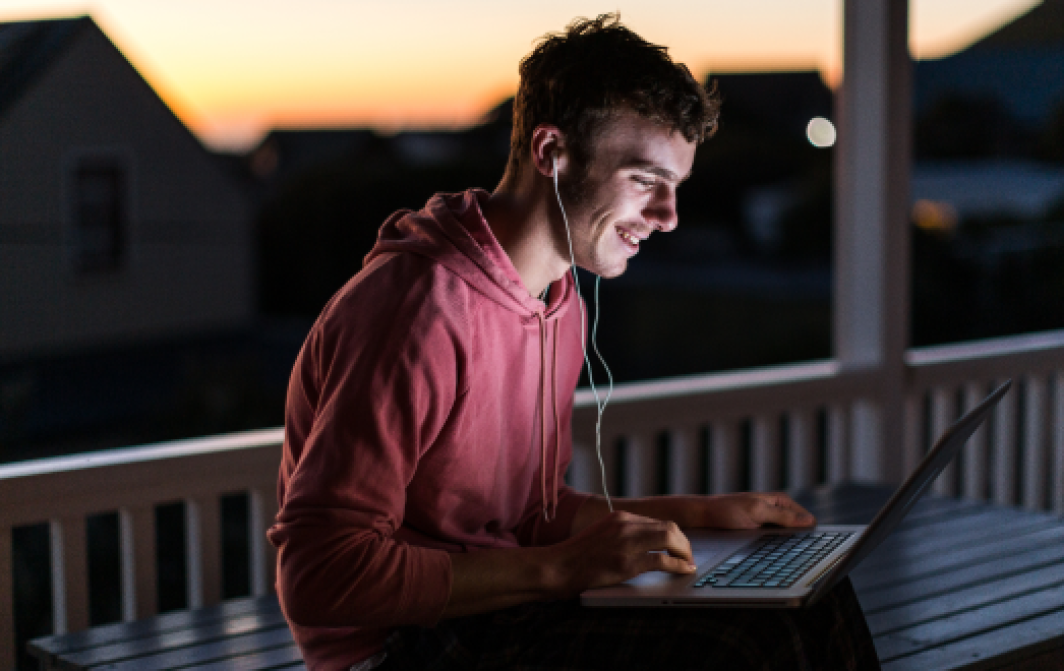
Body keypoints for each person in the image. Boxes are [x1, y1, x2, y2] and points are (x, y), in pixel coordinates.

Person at [268, 13, 880, 671]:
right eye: (646, 180)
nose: (669, 217)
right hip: (394, 646)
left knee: (815, 597)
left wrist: (700, 512)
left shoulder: (557, 298)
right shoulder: (417, 308)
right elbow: (319, 571)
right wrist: (560, 570)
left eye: (676, 187)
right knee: (739, 644)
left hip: (502, 606)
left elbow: (528, 516)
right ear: (552, 153)